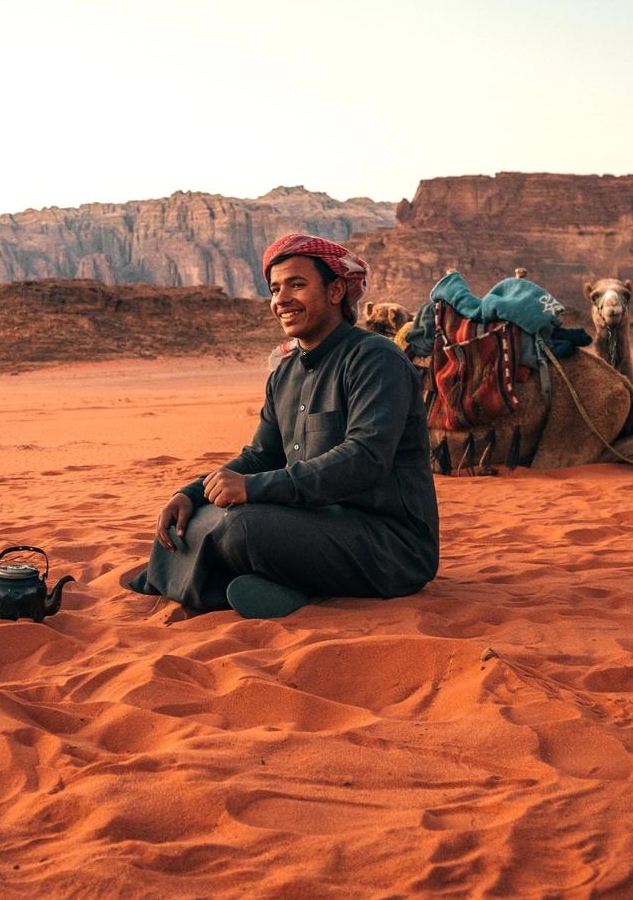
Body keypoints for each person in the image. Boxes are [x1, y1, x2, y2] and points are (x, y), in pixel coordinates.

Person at [128, 232, 439, 618]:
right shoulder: (284, 373)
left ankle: (228, 586)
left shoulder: (376, 360)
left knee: (241, 528)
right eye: (275, 289)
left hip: (390, 545)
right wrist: (190, 494)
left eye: (297, 284)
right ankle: (263, 585)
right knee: (195, 518)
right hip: (316, 523)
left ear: (337, 290)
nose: (282, 300)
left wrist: (253, 489)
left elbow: (365, 458)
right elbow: (261, 456)